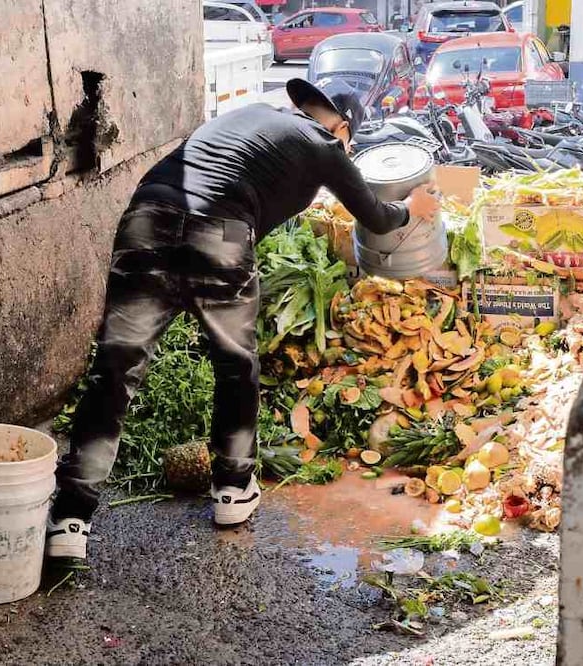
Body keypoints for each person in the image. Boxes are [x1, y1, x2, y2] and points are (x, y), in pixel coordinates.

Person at [45, 79, 440, 562]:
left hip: (146, 216)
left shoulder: (252, 119)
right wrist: (412, 210)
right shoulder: (323, 145)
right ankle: (232, 490)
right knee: (235, 364)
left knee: (115, 370)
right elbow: (376, 218)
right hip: (219, 232)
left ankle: (70, 519)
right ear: (342, 129)